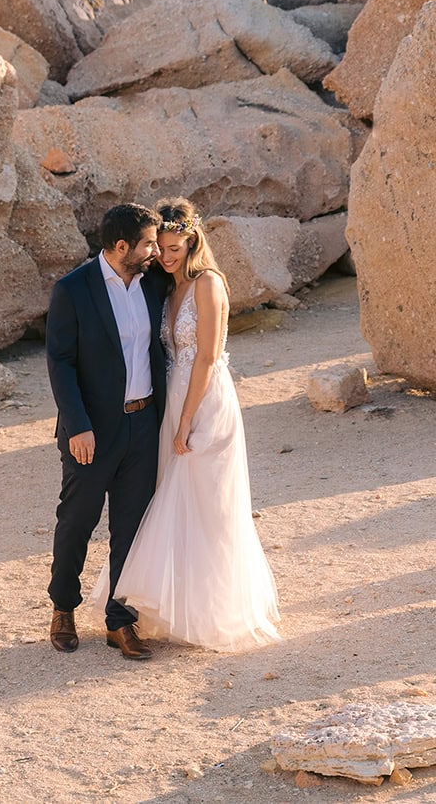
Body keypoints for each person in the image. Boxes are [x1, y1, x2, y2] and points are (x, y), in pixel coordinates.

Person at [92, 197, 280, 652]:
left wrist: (186, 423)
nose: (167, 255)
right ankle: (169, 607)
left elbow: (209, 358)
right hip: (172, 400)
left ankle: (215, 610)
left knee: (209, 503)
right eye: (162, 247)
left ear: (193, 241)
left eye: (176, 247)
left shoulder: (209, 284)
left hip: (206, 403)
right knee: (172, 500)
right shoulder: (166, 287)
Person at [45, 203, 167, 659]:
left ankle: (120, 621)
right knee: (77, 520)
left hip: (144, 424)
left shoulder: (153, 282)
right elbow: (61, 362)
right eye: (149, 243)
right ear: (122, 247)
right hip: (92, 431)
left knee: (131, 528)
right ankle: (63, 607)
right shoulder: (73, 290)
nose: (156, 251)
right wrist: (77, 425)